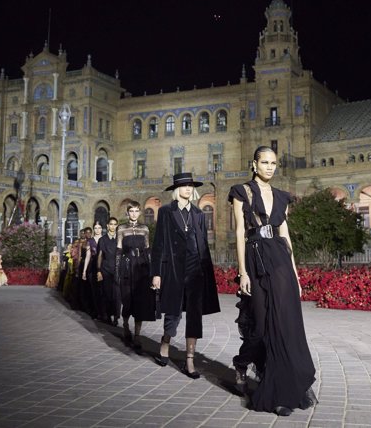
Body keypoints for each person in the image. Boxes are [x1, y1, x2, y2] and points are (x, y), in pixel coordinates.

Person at [229, 146, 317, 416]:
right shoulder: (241, 192)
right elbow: (241, 233)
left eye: (273, 163)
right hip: (256, 261)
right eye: (264, 162)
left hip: (280, 262)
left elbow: (286, 237)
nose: (269, 167)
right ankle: (242, 364)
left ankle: (281, 390)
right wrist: (242, 272)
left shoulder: (281, 196)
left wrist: (296, 274)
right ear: (254, 164)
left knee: (285, 326)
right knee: (260, 326)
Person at [151, 172, 220, 379]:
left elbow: (204, 246)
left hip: (195, 269)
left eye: (191, 185)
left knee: (194, 314)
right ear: (176, 190)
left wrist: (206, 271)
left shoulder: (198, 214)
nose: (188, 189)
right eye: (184, 186)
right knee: (173, 310)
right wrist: (156, 273)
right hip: (173, 268)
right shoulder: (165, 212)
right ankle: (165, 342)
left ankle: (189, 359)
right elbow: (159, 244)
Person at [116, 201, 156, 348]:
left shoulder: (144, 228)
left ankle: (137, 335)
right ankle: (126, 327)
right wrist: (117, 272)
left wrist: (152, 272)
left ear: (139, 212)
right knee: (127, 300)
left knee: (140, 302)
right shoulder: (122, 228)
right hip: (127, 267)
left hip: (141, 268)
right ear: (127, 213)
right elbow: (119, 251)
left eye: (136, 211)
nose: (133, 213)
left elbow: (147, 249)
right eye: (131, 211)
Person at [97, 217, 121, 325]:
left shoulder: (120, 239)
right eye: (111, 224)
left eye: (115, 224)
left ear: (117, 226)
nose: (113, 226)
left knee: (117, 295)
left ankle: (116, 317)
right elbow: (100, 256)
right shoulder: (103, 240)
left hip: (117, 270)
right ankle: (106, 316)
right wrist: (98, 271)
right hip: (106, 270)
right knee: (106, 294)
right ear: (107, 225)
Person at [82, 222, 104, 318]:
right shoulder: (90, 241)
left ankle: (105, 313)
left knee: (104, 291)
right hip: (92, 268)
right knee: (94, 291)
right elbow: (87, 256)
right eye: (95, 228)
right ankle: (96, 312)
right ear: (93, 229)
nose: (97, 229)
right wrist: (84, 271)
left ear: (102, 228)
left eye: (99, 227)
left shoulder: (105, 239)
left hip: (104, 268)